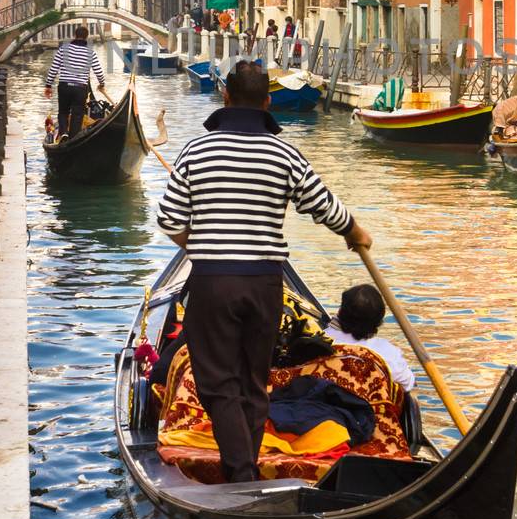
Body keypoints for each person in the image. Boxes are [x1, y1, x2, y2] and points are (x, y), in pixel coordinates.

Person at [156, 60, 371, 483]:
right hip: (265, 283)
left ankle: (242, 476)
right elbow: (323, 205)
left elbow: (168, 220)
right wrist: (355, 231)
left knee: (218, 384)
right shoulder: (285, 153)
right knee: (254, 382)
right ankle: (246, 470)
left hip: (213, 283)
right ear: (269, 102)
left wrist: (200, 245)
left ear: (225, 98)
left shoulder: (196, 151)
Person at [324, 284, 416, 391]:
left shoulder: (318, 341)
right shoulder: (388, 353)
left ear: (340, 312)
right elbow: (407, 384)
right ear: (379, 320)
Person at [43, 26, 107, 138]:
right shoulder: (90, 52)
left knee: (63, 112)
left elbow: (53, 69)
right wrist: (101, 84)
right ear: (86, 37)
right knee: (77, 115)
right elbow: (99, 72)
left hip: (64, 86)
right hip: (80, 88)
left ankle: (63, 133)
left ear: (75, 35)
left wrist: (48, 85)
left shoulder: (63, 49)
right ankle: (73, 137)